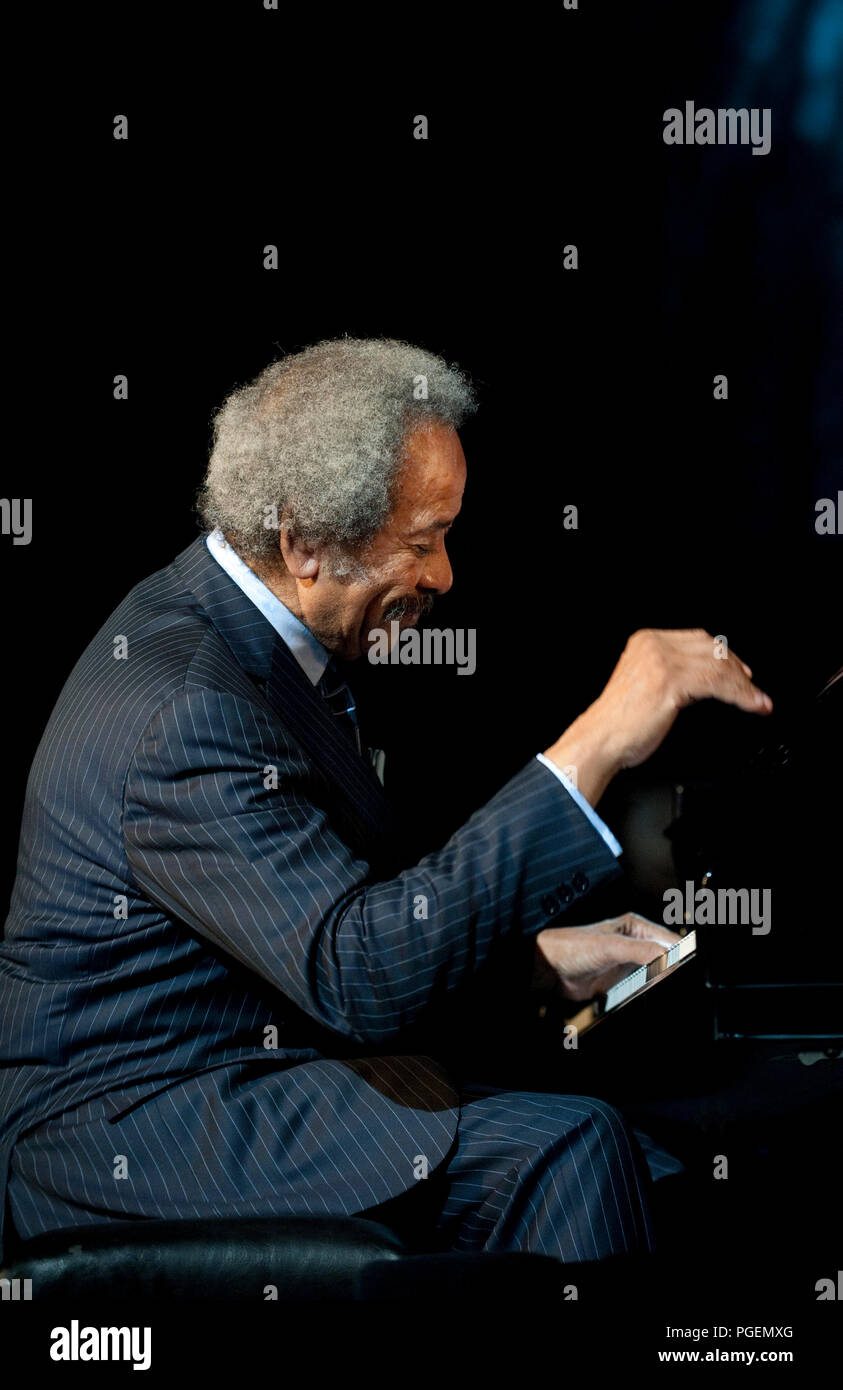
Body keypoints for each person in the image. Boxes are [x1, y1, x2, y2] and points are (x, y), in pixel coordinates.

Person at [0, 338, 773, 1266]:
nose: (445, 576)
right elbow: (358, 974)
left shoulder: (247, 633)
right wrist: (596, 743)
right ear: (305, 544)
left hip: (242, 1075)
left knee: (660, 1149)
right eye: (422, 542)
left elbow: (327, 921)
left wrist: (529, 964)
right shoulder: (185, 706)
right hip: (140, 1123)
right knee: (571, 1150)